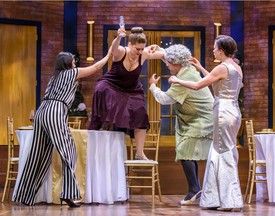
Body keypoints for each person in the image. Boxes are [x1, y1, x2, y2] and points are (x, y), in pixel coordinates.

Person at [12, 50, 111, 207]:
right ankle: (68, 193)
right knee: (69, 150)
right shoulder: (71, 73)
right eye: (73, 60)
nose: (75, 62)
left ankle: (26, 194)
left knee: (38, 154)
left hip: (42, 111)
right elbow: (96, 67)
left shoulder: (54, 77)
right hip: (55, 111)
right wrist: (109, 53)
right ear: (67, 62)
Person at [169, 35, 244, 211]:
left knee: (222, 153)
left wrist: (177, 80)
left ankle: (229, 200)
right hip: (233, 111)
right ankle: (216, 198)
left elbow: (198, 86)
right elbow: (215, 80)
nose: (212, 50)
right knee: (221, 151)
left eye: (214, 48)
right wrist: (200, 67)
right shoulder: (236, 67)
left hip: (223, 112)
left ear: (221, 50)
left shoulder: (222, 67)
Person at [149, 44, 214, 205]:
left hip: (201, 119)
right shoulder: (187, 68)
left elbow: (165, 100)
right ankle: (196, 190)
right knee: (188, 153)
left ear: (176, 63)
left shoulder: (182, 79)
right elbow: (171, 57)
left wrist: (152, 86)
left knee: (185, 151)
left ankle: (194, 190)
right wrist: (160, 51)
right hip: (196, 118)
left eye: (168, 63)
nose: (166, 65)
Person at [89, 26, 164, 160]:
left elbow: (164, 55)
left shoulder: (144, 54)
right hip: (111, 86)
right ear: (130, 45)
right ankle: (103, 145)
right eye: (137, 49)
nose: (140, 52)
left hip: (132, 90)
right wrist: (118, 37)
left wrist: (158, 47)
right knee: (107, 96)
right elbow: (113, 48)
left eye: (142, 49)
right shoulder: (121, 52)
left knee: (141, 115)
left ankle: (139, 153)